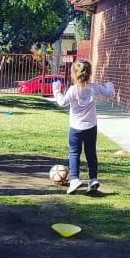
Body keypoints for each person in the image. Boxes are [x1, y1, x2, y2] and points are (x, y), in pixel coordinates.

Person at [53, 59, 115, 194]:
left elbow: (62, 102)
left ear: (74, 75)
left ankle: (74, 180)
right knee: (91, 153)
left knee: (74, 153)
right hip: (91, 127)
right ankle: (93, 180)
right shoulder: (94, 87)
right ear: (90, 73)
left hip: (76, 128)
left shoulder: (73, 90)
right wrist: (109, 84)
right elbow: (110, 93)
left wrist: (56, 89)